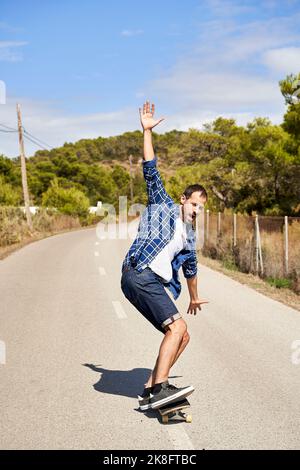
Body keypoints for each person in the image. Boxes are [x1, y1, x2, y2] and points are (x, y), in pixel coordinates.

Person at [121, 101, 209, 410]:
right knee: (178, 328)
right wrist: (146, 132)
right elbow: (151, 168)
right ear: (184, 199)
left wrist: (194, 297)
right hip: (139, 272)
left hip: (151, 283)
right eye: (194, 204)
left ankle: (150, 389)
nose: (197, 211)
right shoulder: (163, 205)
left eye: (202, 208)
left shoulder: (190, 237)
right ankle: (160, 387)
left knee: (182, 336)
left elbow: (191, 270)